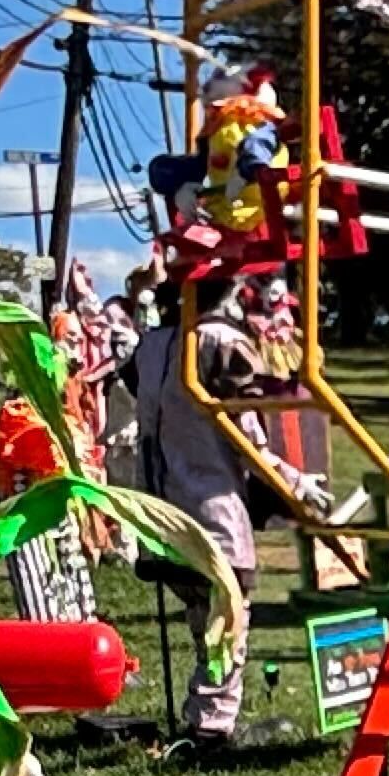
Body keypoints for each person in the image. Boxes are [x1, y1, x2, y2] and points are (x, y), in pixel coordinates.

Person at [130, 283, 262, 746]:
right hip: (211, 504)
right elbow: (245, 426)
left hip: (160, 505)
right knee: (227, 618)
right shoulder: (218, 341)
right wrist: (289, 480)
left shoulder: (149, 346)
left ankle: (201, 711)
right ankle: (211, 726)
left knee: (202, 613)